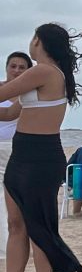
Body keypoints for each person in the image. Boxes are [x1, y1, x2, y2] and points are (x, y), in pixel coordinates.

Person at [0, 24, 82, 272]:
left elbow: (3, 93)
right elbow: (9, 112)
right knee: (16, 223)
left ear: (39, 41)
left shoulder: (44, 71)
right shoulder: (41, 76)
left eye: (32, 38)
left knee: (39, 227)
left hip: (41, 156)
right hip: (21, 154)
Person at [0, 52, 34, 251]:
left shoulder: (31, 94)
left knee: (18, 201)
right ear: (6, 67)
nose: (17, 71)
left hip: (21, 148)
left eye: (22, 67)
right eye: (13, 66)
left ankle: (16, 245)